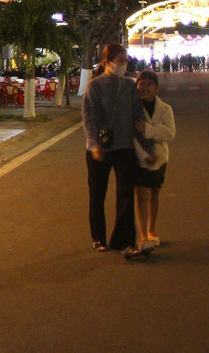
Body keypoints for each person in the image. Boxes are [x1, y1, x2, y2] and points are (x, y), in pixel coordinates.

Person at [82, 43, 155, 254]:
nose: (124, 65)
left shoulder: (129, 85)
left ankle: (125, 241)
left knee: (125, 195)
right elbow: (89, 118)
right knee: (97, 194)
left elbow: (138, 116)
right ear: (107, 62)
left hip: (124, 147)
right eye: (120, 61)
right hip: (100, 150)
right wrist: (95, 145)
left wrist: (148, 147)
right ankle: (98, 238)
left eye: (126, 61)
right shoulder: (94, 86)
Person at [127, 70, 174, 257]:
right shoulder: (132, 108)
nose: (144, 88)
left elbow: (170, 134)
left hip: (160, 158)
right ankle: (143, 237)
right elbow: (131, 134)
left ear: (156, 88)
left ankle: (151, 230)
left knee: (155, 193)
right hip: (139, 158)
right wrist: (145, 154)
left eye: (149, 85)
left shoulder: (165, 109)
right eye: (141, 84)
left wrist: (148, 129)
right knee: (141, 195)